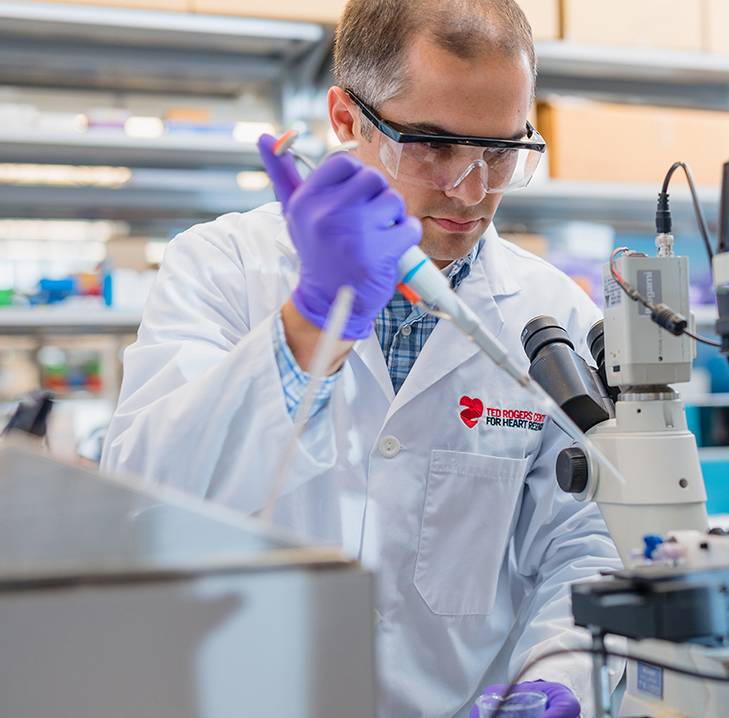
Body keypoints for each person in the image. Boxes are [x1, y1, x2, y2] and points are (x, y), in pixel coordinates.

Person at [101, 0, 623, 716]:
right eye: (434, 145)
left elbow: (584, 540)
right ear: (346, 120)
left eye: (502, 151)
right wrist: (309, 324)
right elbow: (142, 499)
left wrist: (563, 677)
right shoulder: (224, 268)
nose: (472, 191)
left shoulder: (553, 315)